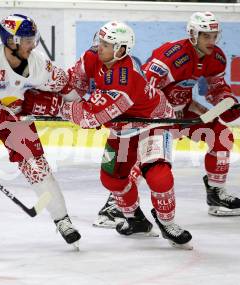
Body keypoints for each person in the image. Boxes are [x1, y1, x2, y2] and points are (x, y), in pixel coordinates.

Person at [26, 21, 194, 249]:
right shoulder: (93, 57)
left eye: (106, 44)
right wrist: (44, 89)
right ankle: (135, 220)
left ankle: (167, 222)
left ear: (121, 50)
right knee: (112, 178)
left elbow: (89, 117)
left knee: (158, 175)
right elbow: (73, 85)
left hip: (152, 121)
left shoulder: (125, 79)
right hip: (124, 125)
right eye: (100, 41)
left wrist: (52, 106)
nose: (99, 46)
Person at [95, 12, 240, 226]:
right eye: (206, 36)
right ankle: (115, 205)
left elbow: (217, 88)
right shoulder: (172, 56)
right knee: (143, 160)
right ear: (193, 35)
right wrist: (158, 115)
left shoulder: (216, 57)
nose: (211, 41)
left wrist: (227, 101)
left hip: (183, 112)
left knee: (222, 136)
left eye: (214, 36)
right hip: (155, 117)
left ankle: (216, 192)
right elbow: (143, 88)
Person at [0, 14, 81, 247]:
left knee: (36, 166)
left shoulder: (40, 65)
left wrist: (81, 112)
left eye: (33, 39)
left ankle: (62, 219)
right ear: (11, 41)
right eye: (27, 40)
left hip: (12, 115)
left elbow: (66, 88)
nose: (33, 44)